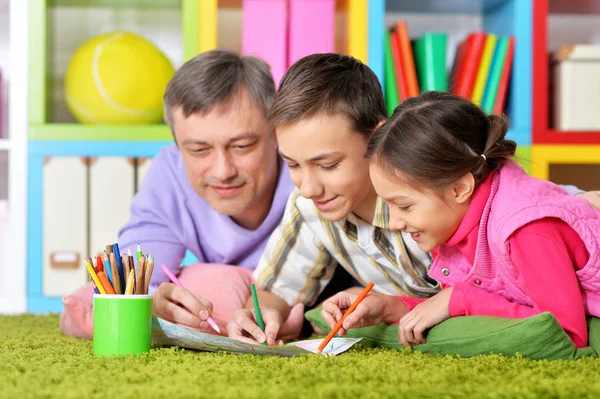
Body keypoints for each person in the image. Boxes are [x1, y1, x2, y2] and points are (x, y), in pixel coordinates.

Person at [227, 53, 600, 346]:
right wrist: (259, 317)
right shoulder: (312, 206)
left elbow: (547, 229)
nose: (308, 187)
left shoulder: (454, 204)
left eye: (327, 164)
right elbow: (275, 288)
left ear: (377, 137)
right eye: (292, 164)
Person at [59, 50, 307, 339]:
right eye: (199, 150)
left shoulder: (309, 174)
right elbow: (130, 282)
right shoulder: (170, 174)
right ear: (177, 146)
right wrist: (152, 305)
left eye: (241, 146)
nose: (223, 170)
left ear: (275, 133)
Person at [321, 91, 600, 348]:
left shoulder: (526, 229)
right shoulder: (458, 221)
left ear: (459, 188)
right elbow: (488, 304)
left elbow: (564, 334)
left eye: (404, 206)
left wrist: (461, 299)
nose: (393, 223)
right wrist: (390, 307)